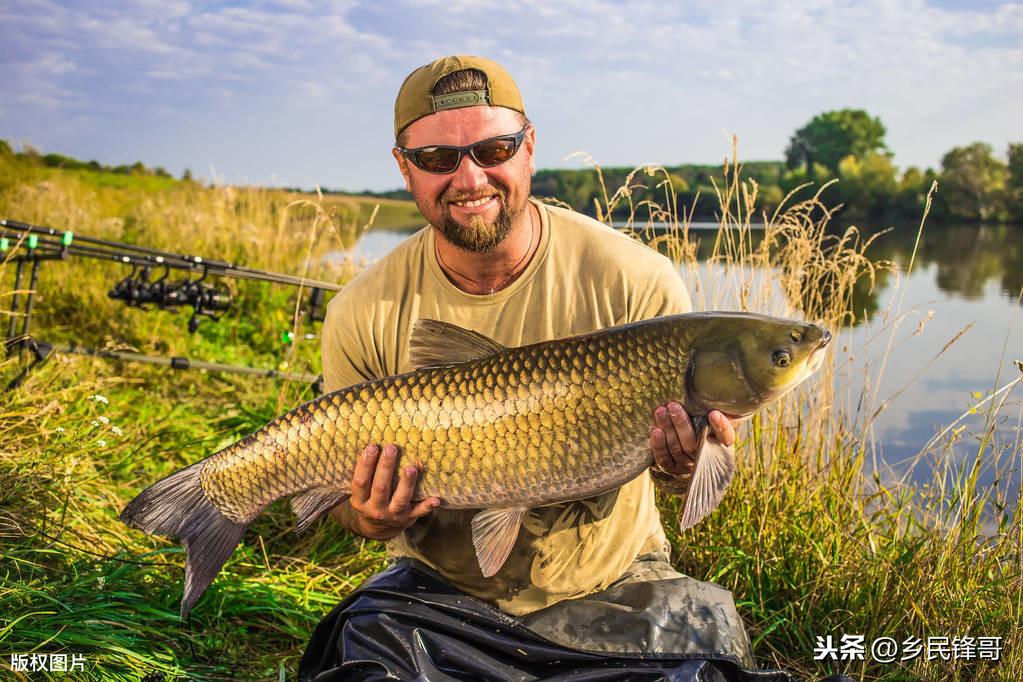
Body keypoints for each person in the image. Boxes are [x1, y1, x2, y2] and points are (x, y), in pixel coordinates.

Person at [299, 55, 790, 682]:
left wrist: (686, 465)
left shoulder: (636, 281)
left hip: (615, 582)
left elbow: (682, 485)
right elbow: (339, 499)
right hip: (442, 590)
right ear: (404, 167)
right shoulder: (362, 312)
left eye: (494, 148)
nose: (469, 177)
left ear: (529, 147)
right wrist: (367, 516)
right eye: (437, 159)